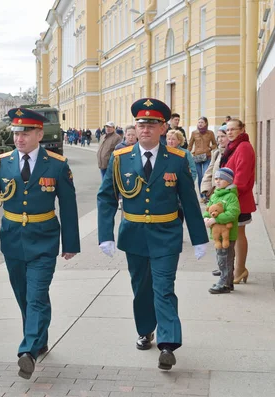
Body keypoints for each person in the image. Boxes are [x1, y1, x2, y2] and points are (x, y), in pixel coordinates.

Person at [97, 98, 208, 371]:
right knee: (141, 288)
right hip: (134, 234)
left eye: (152, 124)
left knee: (164, 288)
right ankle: (146, 329)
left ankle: (168, 344)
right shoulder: (121, 158)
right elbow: (106, 197)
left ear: (162, 128)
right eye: (141, 124)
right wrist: (105, 234)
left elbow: (189, 200)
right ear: (135, 127)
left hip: (166, 233)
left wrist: (199, 238)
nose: (145, 129)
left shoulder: (178, 159)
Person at [0, 107, 80, 380]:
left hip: (43, 239)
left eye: (26, 132)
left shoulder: (56, 164)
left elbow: (68, 206)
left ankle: (28, 351)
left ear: (39, 134)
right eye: (16, 132)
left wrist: (70, 243)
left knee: (36, 294)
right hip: (12, 239)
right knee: (24, 295)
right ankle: (38, 336)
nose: (19, 137)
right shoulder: (1, 162)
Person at [220, 119, 256, 284]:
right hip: (231, 197)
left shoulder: (244, 147)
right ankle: (232, 267)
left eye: (233, 129)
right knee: (233, 234)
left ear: (242, 129)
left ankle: (240, 270)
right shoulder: (234, 146)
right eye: (227, 130)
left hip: (238, 198)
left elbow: (241, 176)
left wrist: (230, 194)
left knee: (239, 234)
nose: (230, 132)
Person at [202, 167, 240, 294]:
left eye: (222, 179)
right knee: (221, 257)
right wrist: (206, 219)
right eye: (216, 178)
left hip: (227, 235)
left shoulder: (230, 196)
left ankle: (224, 283)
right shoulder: (215, 195)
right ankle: (227, 281)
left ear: (229, 181)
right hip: (217, 234)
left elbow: (233, 213)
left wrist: (216, 220)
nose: (218, 181)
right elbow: (208, 210)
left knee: (225, 258)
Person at [200, 125, 229, 204]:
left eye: (223, 136)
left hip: (228, 196)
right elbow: (209, 172)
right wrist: (206, 190)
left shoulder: (234, 153)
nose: (220, 139)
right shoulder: (217, 153)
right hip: (215, 194)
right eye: (218, 137)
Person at [188, 117, 217, 194]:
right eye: (199, 122)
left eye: (202, 122)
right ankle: (202, 195)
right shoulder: (194, 133)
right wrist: (187, 154)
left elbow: (215, 144)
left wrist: (210, 148)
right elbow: (190, 145)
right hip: (197, 157)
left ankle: (206, 194)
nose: (200, 124)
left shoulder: (210, 133)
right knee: (200, 177)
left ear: (206, 123)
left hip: (207, 157)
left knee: (205, 175)